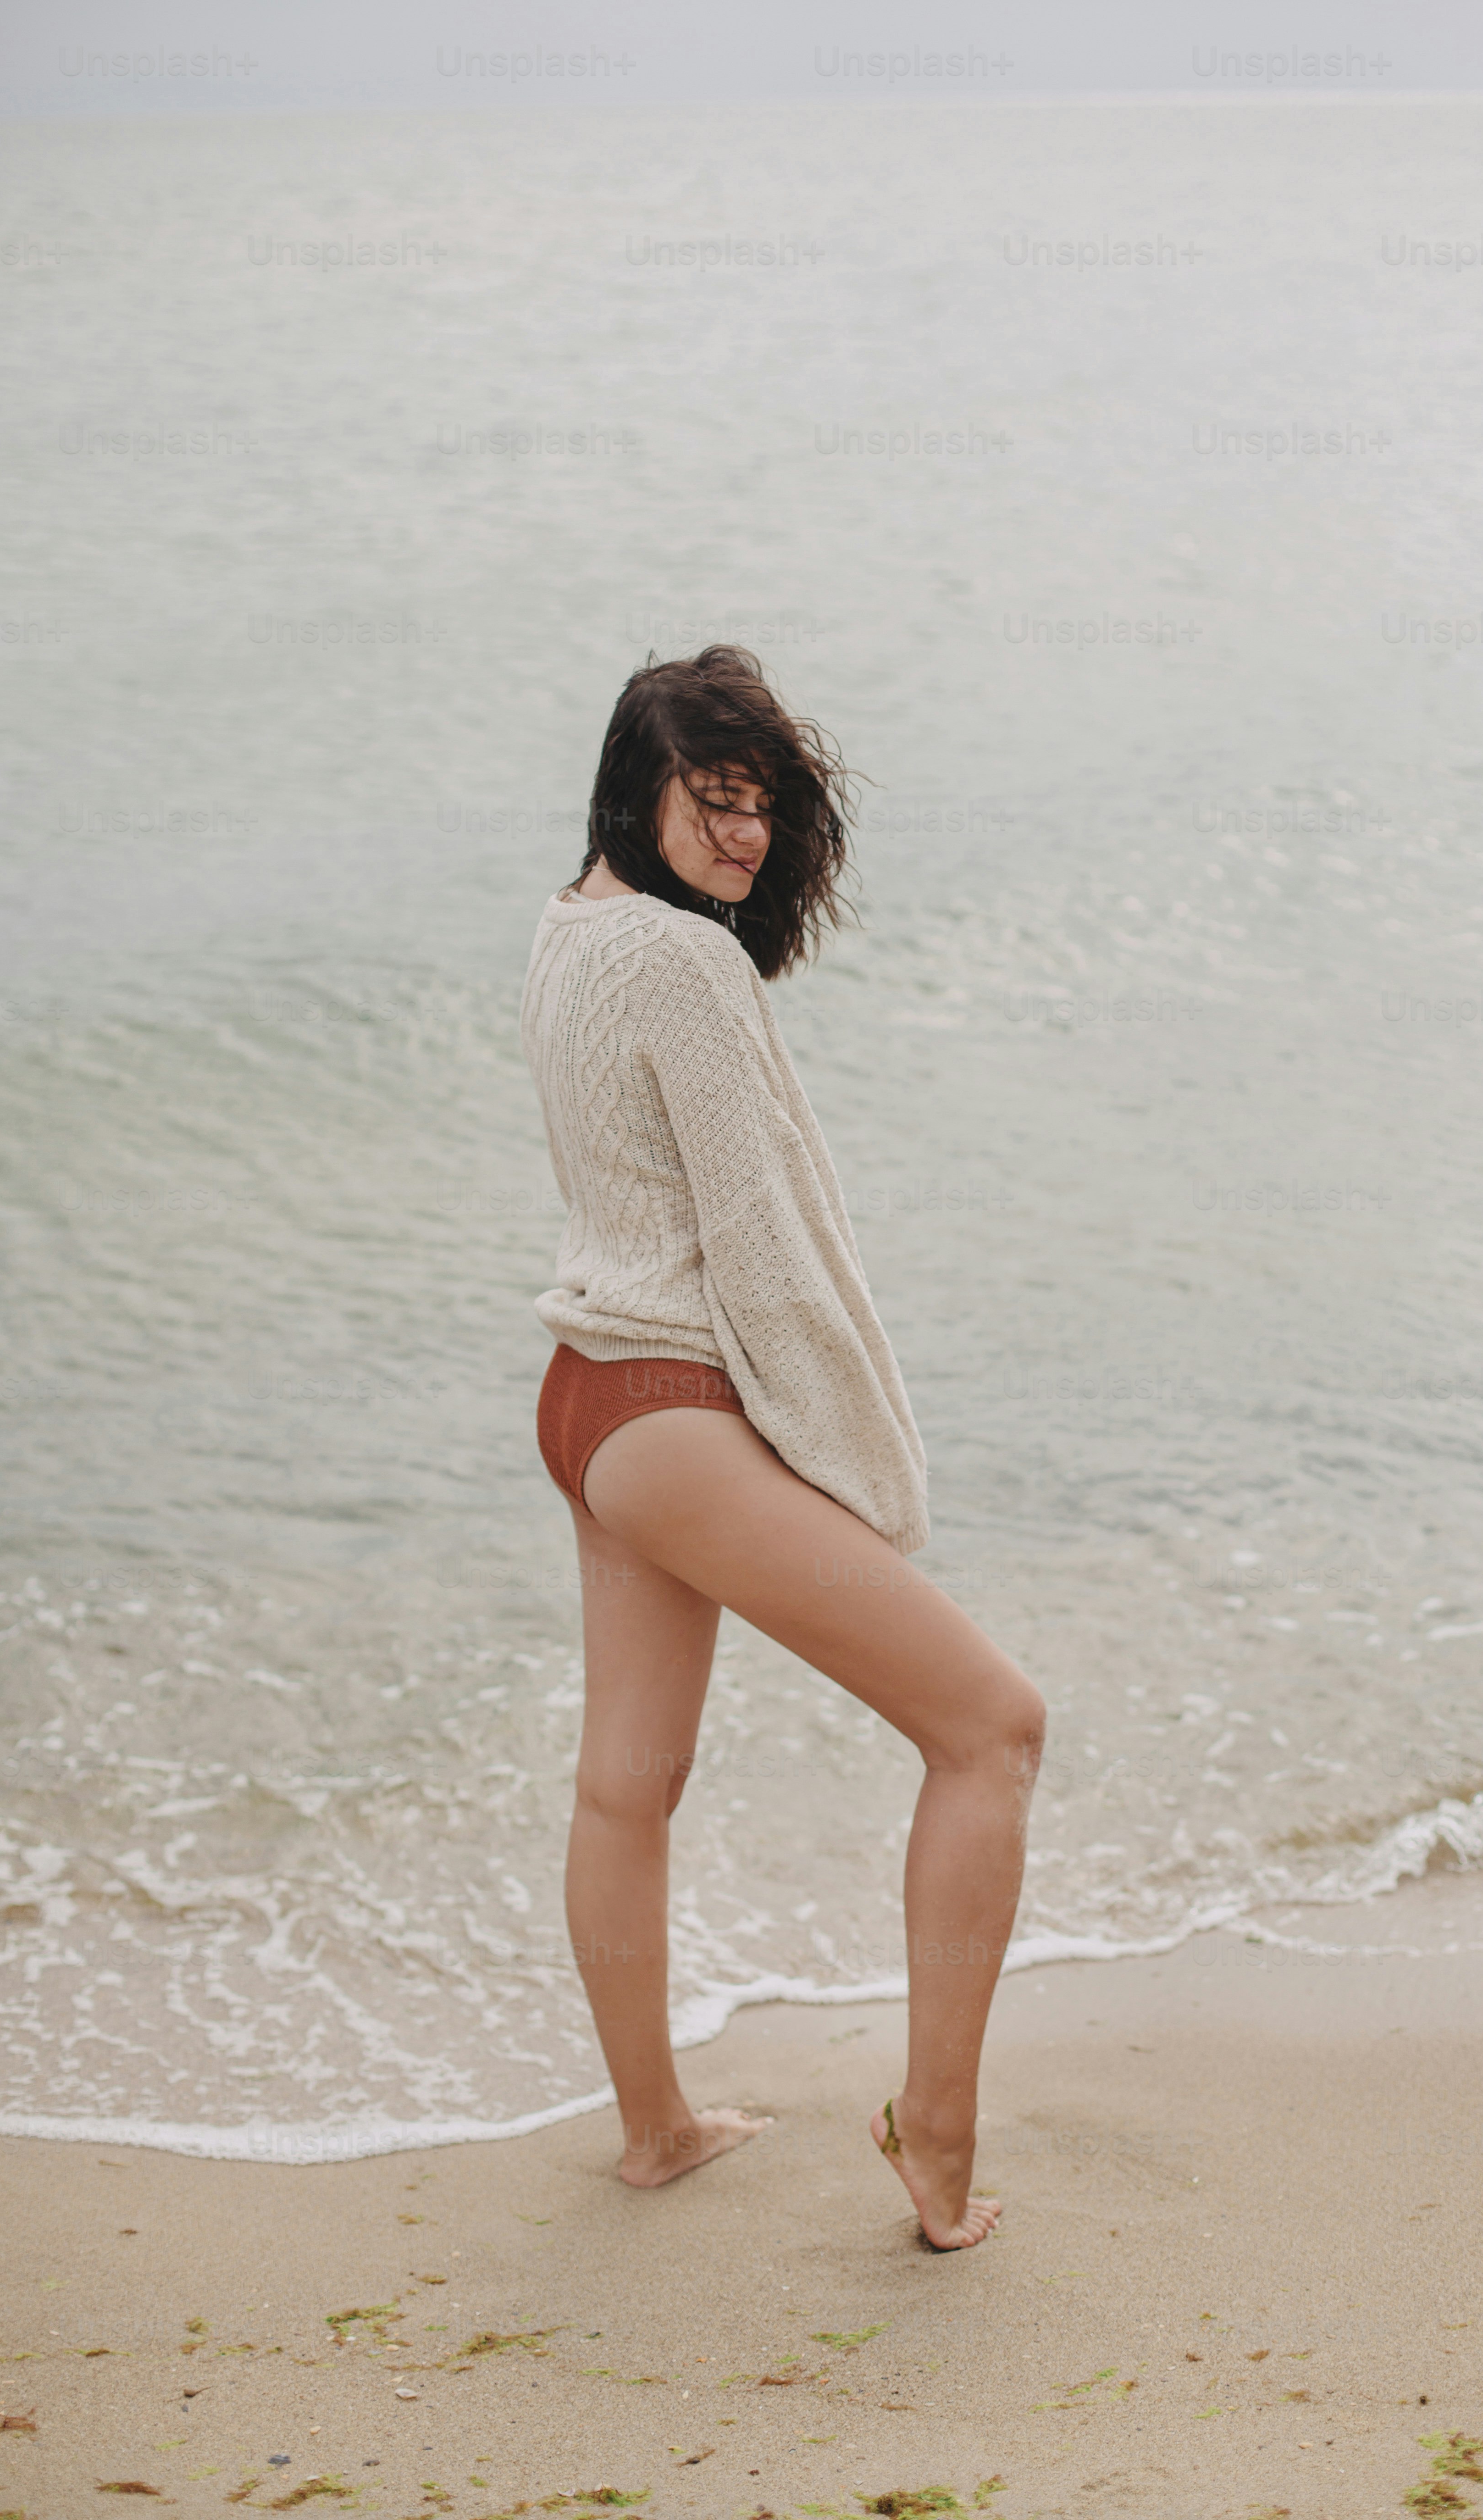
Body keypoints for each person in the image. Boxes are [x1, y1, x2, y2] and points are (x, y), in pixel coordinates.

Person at [520, 646, 1044, 2250]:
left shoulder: (570, 927)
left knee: (627, 1787)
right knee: (991, 1730)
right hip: (673, 1414)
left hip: (582, 1398)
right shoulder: (688, 969)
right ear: (644, 789)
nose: (745, 838)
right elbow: (763, 1251)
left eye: (762, 808)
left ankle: (657, 2133)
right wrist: (851, 1471)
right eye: (717, 801)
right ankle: (937, 2139)